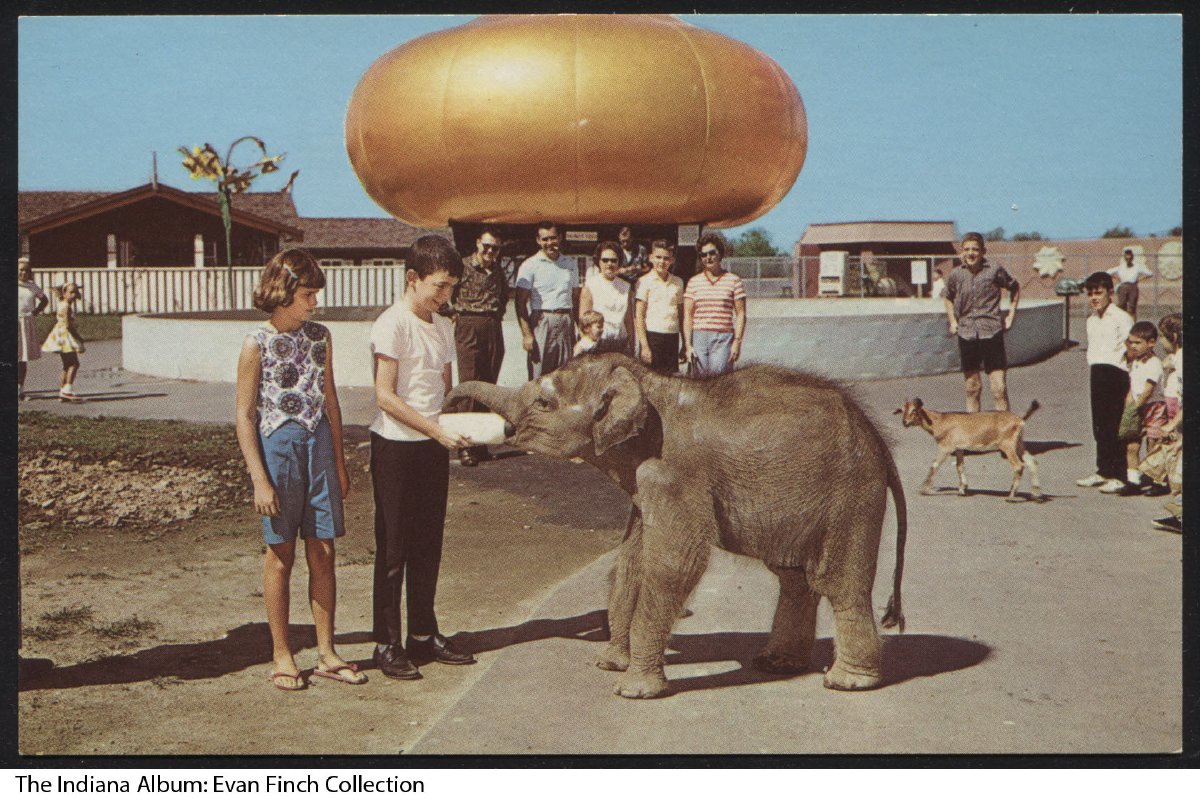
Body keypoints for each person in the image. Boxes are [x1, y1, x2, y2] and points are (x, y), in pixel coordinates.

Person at [234, 248, 364, 691]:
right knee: (280, 555)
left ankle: (327, 652)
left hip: (319, 448)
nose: (314, 303)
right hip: (278, 451)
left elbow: (330, 400)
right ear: (283, 292)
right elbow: (244, 416)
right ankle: (282, 652)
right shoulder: (257, 343)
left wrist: (340, 463)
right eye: (308, 294)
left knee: (323, 552)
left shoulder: (320, 336)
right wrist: (258, 478)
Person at [369, 234, 476, 681]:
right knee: (395, 549)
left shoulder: (445, 327)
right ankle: (386, 642)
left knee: (428, 546)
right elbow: (385, 397)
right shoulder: (391, 324)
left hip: (433, 446)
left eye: (451, 287)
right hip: (395, 446)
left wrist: (465, 423)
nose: (445, 295)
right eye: (439, 286)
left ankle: (422, 634)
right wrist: (435, 428)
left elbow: (446, 393)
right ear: (412, 279)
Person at [444, 226, 509, 467]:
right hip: (468, 323)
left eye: (495, 248)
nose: (491, 251)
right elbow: (445, 292)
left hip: (492, 325)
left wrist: (494, 318)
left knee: (487, 385)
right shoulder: (461, 267)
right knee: (470, 385)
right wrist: (454, 314)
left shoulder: (498, 269)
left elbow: (503, 297)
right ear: (477, 244)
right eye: (487, 246)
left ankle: (480, 442)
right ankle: (466, 446)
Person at [942, 232, 1021, 413]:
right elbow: (947, 297)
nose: (970, 253)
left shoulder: (994, 270)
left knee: (998, 389)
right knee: (972, 388)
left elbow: (1014, 287)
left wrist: (1010, 315)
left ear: (983, 251)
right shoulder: (956, 274)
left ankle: (1004, 435)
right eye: (967, 249)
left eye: (975, 250)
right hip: (967, 333)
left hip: (991, 332)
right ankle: (976, 435)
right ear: (962, 251)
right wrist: (953, 321)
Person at [1076, 271, 1134, 494]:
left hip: (1116, 374)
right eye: (1090, 293)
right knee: (1099, 425)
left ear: (1110, 293)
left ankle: (1120, 474)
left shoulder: (1121, 318)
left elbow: (1131, 351)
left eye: (1098, 293)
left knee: (1114, 425)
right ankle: (1103, 470)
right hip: (1097, 372)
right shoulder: (1091, 320)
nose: (1094, 298)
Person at [515, 222, 580, 379]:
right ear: (538, 240)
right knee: (539, 374)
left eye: (553, 238)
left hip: (566, 320)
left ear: (560, 238)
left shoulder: (570, 264)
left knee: (566, 374)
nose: (550, 243)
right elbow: (520, 303)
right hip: (542, 322)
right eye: (545, 239)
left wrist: (581, 330)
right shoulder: (529, 265)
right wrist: (527, 335)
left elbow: (575, 298)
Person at [683, 232, 746, 376]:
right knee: (700, 383)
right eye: (703, 255)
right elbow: (688, 315)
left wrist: (737, 342)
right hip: (699, 337)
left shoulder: (733, 280)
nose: (708, 258)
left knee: (719, 381)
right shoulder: (694, 282)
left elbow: (741, 314)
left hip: (723, 338)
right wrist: (688, 345)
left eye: (712, 253)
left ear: (720, 254)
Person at [1112, 321, 1163, 495]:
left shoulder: (1154, 363)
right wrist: (1128, 406)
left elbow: (1148, 391)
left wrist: (1135, 409)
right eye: (1131, 342)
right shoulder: (1135, 362)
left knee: (1153, 444)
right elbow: (1132, 387)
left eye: (1138, 342)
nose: (1133, 346)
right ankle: (1133, 480)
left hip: (1153, 407)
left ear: (1151, 342)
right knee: (1132, 445)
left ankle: (1158, 480)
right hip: (1136, 406)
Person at [1140, 312, 1182, 499]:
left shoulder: (1181, 358)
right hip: (1173, 404)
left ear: (1173, 337)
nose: (1160, 342)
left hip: (1178, 407)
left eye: (1163, 337)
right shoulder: (1176, 357)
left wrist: (1172, 424)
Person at [634, 239, 686, 374]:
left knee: (670, 382)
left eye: (666, 258)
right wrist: (644, 346)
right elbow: (639, 316)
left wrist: (685, 344)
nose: (662, 262)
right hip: (652, 338)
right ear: (651, 257)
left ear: (672, 260)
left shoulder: (678, 282)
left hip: (672, 337)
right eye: (658, 257)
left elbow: (681, 316)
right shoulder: (644, 281)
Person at [579, 241, 634, 354]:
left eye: (614, 260)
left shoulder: (625, 286)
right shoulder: (590, 285)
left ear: (619, 262)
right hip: (597, 344)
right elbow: (583, 322)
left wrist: (632, 345)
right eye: (605, 260)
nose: (609, 264)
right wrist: (587, 346)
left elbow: (628, 320)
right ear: (598, 261)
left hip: (620, 343)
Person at [41, 281, 85, 401]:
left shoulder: (62, 303)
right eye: (71, 292)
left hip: (60, 336)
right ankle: (67, 389)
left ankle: (62, 391)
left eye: (75, 292)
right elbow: (68, 325)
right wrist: (78, 337)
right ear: (64, 293)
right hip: (65, 336)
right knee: (74, 364)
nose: (74, 295)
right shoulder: (66, 306)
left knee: (67, 365)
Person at [17, 256, 49, 400]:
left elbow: (44, 300)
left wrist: (35, 312)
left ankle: (20, 390)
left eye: (26, 271)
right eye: (21, 270)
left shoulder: (32, 286)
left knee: (22, 358)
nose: (23, 273)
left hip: (25, 322)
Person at [1107, 247, 1153, 318]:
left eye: (1130, 257)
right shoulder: (1121, 267)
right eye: (1126, 257)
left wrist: (1139, 280)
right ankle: (1123, 323)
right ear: (1124, 258)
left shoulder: (1137, 267)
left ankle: (1133, 325)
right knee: (1121, 306)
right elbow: (1108, 272)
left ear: (1132, 258)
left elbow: (1149, 273)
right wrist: (1116, 278)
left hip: (1133, 287)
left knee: (1132, 307)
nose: (1128, 259)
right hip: (1123, 286)